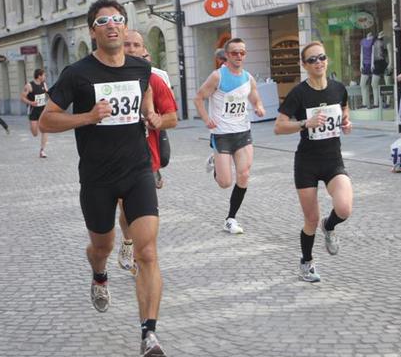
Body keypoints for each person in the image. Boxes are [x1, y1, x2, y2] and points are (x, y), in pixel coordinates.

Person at [38, 0, 168, 357]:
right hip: (97, 178)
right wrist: (87, 117)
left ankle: (149, 334)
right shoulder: (77, 74)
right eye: (102, 21)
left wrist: (151, 115)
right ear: (92, 31)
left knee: (147, 252)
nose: (111, 25)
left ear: (125, 27)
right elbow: (47, 119)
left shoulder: (141, 68)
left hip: (137, 171)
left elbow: (146, 97)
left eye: (117, 19)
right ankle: (98, 274)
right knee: (103, 246)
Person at [274, 42, 353, 283]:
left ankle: (329, 226)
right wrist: (304, 124)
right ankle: (306, 263)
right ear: (304, 65)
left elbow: (345, 109)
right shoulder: (299, 93)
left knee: (344, 209)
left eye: (321, 57)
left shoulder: (338, 88)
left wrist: (346, 122)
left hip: (333, 160)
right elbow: (278, 127)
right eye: (312, 60)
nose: (318, 62)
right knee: (310, 219)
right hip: (307, 163)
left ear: (327, 60)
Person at [116, 29, 178, 275]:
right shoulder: (105, 79)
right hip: (115, 157)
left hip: (145, 158)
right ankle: (128, 241)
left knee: (141, 212)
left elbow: (172, 118)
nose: (131, 49)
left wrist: (157, 120)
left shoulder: (154, 80)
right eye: (127, 44)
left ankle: (142, 258)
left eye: (136, 45)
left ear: (144, 51)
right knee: (124, 208)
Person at [194, 38, 266, 234]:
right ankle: (216, 161)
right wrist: (206, 119)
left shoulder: (248, 78)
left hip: (242, 132)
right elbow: (199, 98)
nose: (239, 56)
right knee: (225, 183)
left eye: (242, 52)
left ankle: (230, 219)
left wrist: (259, 107)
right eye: (234, 53)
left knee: (244, 174)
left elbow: (255, 97)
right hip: (222, 134)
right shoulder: (217, 76)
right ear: (226, 55)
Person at [21, 69, 50, 157]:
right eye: (44, 75)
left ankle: (42, 150)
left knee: (45, 129)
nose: (45, 77)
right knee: (35, 133)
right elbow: (22, 97)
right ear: (39, 76)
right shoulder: (29, 86)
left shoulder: (44, 84)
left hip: (43, 110)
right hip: (33, 110)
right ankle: (34, 127)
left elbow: (48, 93)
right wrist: (31, 103)